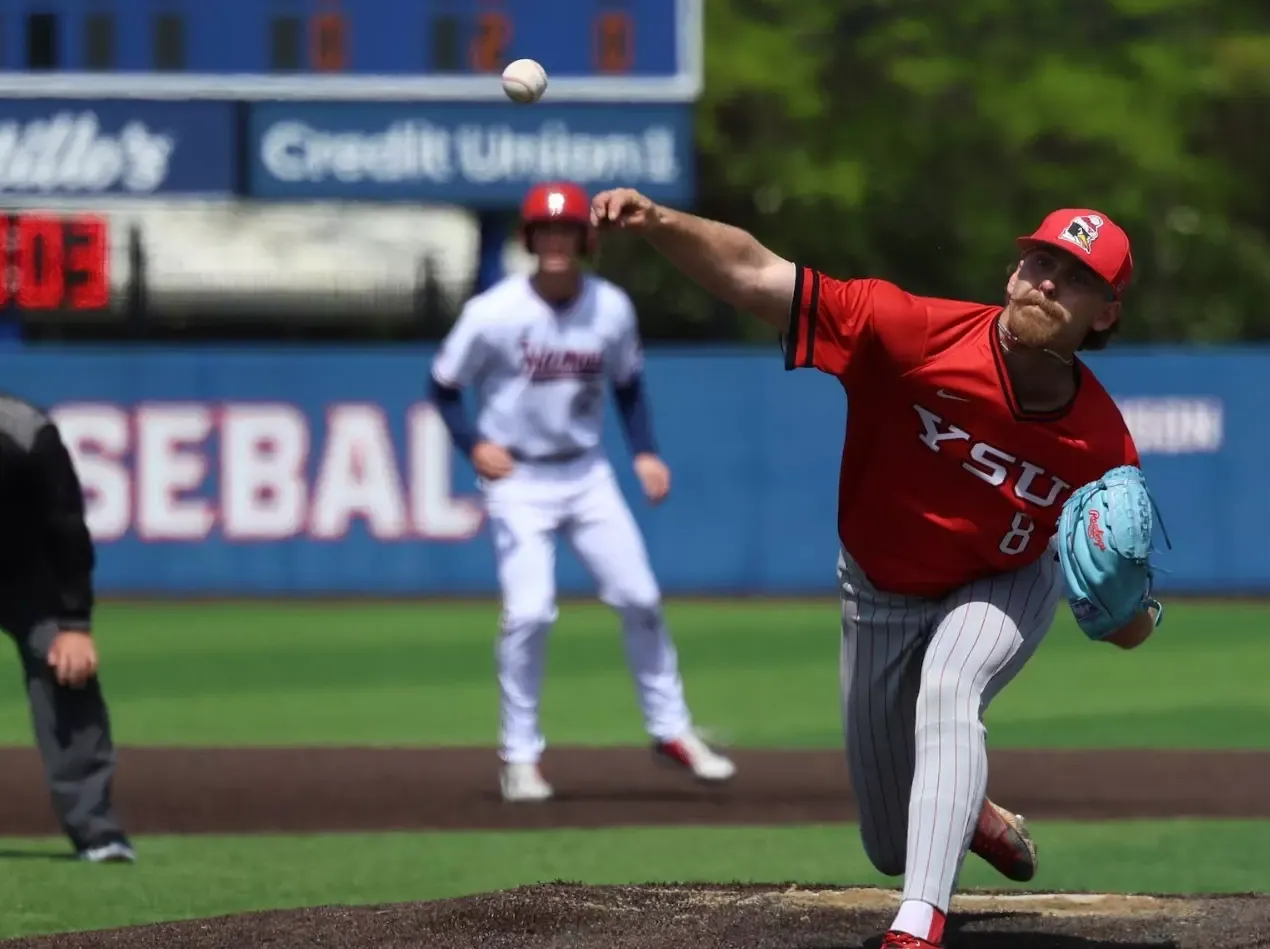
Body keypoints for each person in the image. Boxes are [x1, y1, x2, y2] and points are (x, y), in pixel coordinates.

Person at [590, 190, 1163, 948]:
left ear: (1106, 313)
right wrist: (659, 222)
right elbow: (759, 275)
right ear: (1012, 271)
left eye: (1076, 276)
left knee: (951, 684)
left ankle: (917, 925)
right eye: (1041, 260)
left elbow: (1124, 627)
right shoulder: (911, 332)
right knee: (890, 842)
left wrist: (1137, 614)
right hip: (880, 587)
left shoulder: (1102, 444)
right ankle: (974, 809)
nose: (1048, 280)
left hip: (1004, 579)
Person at [427, 181, 735, 803]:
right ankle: (519, 755)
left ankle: (670, 729)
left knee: (640, 597)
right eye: (546, 232)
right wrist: (471, 444)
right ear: (530, 240)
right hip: (518, 478)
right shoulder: (494, 311)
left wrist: (644, 451)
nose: (557, 243)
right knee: (530, 612)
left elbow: (627, 384)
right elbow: (442, 385)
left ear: (585, 241)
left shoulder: (611, 308)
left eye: (568, 232)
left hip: (586, 472)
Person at [0, 392, 135, 863]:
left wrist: (75, 623)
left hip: (27, 579)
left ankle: (98, 831)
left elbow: (66, 527)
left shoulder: (25, 432)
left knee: (67, 668)